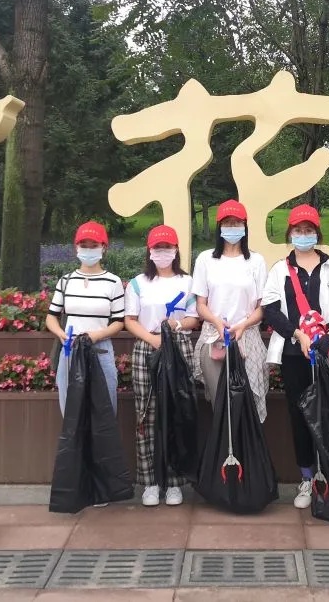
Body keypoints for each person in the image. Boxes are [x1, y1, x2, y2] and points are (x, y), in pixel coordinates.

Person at [262, 204, 329, 509]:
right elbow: (271, 310)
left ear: (317, 233)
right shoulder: (280, 269)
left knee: (328, 413)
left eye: (308, 230)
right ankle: (307, 477)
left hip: (326, 352)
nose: (303, 235)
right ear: (290, 233)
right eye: (298, 230)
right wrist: (297, 334)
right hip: (293, 353)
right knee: (299, 414)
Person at [124, 225, 200, 507]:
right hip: (147, 347)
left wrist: (176, 325)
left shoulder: (187, 282)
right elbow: (130, 320)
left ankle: (175, 482)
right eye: (158, 248)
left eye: (167, 247)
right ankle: (150, 482)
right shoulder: (138, 283)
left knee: (178, 412)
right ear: (149, 251)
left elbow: (194, 318)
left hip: (178, 347)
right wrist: (153, 339)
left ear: (176, 250)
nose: (163, 252)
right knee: (146, 413)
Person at [192, 199, 269, 422]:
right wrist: (217, 322)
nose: (232, 227)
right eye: (227, 223)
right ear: (219, 227)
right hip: (214, 337)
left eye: (237, 223)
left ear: (245, 226)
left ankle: (246, 444)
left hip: (247, 338)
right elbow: (201, 304)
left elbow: (262, 307)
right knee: (220, 405)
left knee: (248, 405)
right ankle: (225, 444)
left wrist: (244, 324)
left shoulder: (256, 261)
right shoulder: (206, 259)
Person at [45, 221, 126, 416]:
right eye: (84, 245)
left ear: (103, 248)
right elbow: (52, 316)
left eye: (94, 245)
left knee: (104, 411)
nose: (88, 250)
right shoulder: (66, 281)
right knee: (71, 412)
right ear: (76, 247)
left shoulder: (113, 282)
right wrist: (61, 334)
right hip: (70, 349)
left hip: (100, 349)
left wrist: (98, 334)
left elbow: (119, 321)